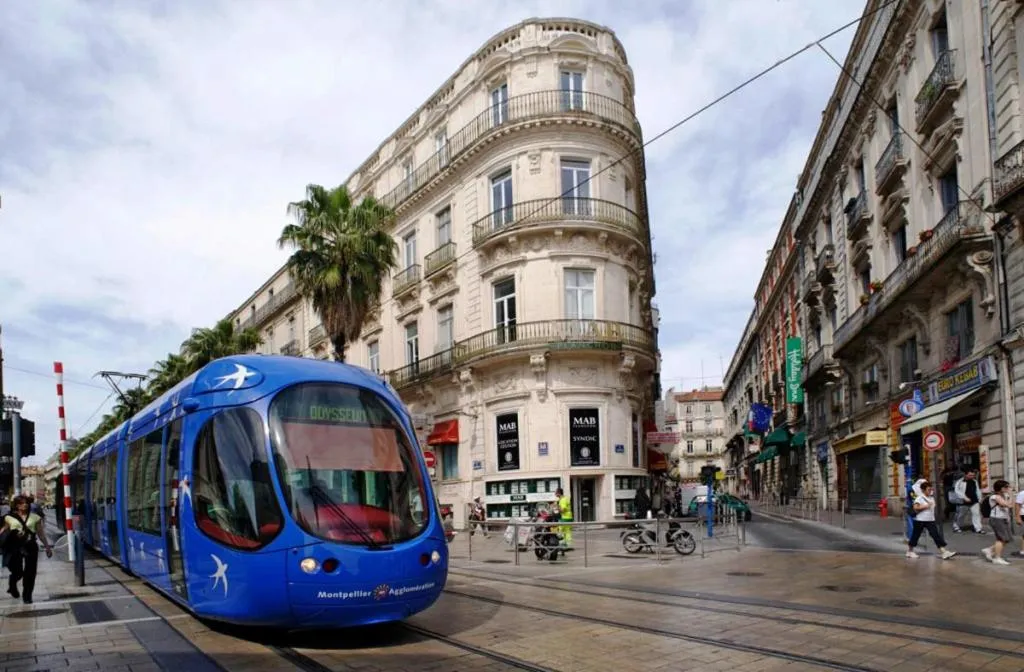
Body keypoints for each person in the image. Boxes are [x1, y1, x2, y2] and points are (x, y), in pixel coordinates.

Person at [1, 495, 54, 604]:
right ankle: (12, 584)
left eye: (26, 503)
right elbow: (4, 530)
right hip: (15, 547)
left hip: (30, 546)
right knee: (18, 572)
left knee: (30, 572)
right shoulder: (9, 517)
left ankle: (27, 595)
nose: (25, 505)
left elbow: (41, 534)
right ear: (17, 505)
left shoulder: (35, 517)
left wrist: (47, 547)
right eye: (22, 503)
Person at [906, 481, 957, 560]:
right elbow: (915, 507)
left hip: (930, 520)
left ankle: (944, 552)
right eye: (928, 489)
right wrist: (926, 506)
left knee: (935, 535)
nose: (930, 491)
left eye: (931, 489)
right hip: (920, 520)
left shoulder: (931, 498)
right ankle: (910, 551)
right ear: (923, 490)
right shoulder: (920, 498)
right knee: (915, 536)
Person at [982, 480, 1014, 566]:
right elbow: (1009, 505)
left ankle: (989, 550)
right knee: (1001, 539)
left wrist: (1008, 518)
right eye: (1006, 487)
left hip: (1003, 519)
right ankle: (997, 558)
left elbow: (1009, 506)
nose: (1008, 488)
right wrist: (1011, 495)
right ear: (1000, 488)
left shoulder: (1004, 495)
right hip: (997, 519)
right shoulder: (995, 497)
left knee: (1007, 539)